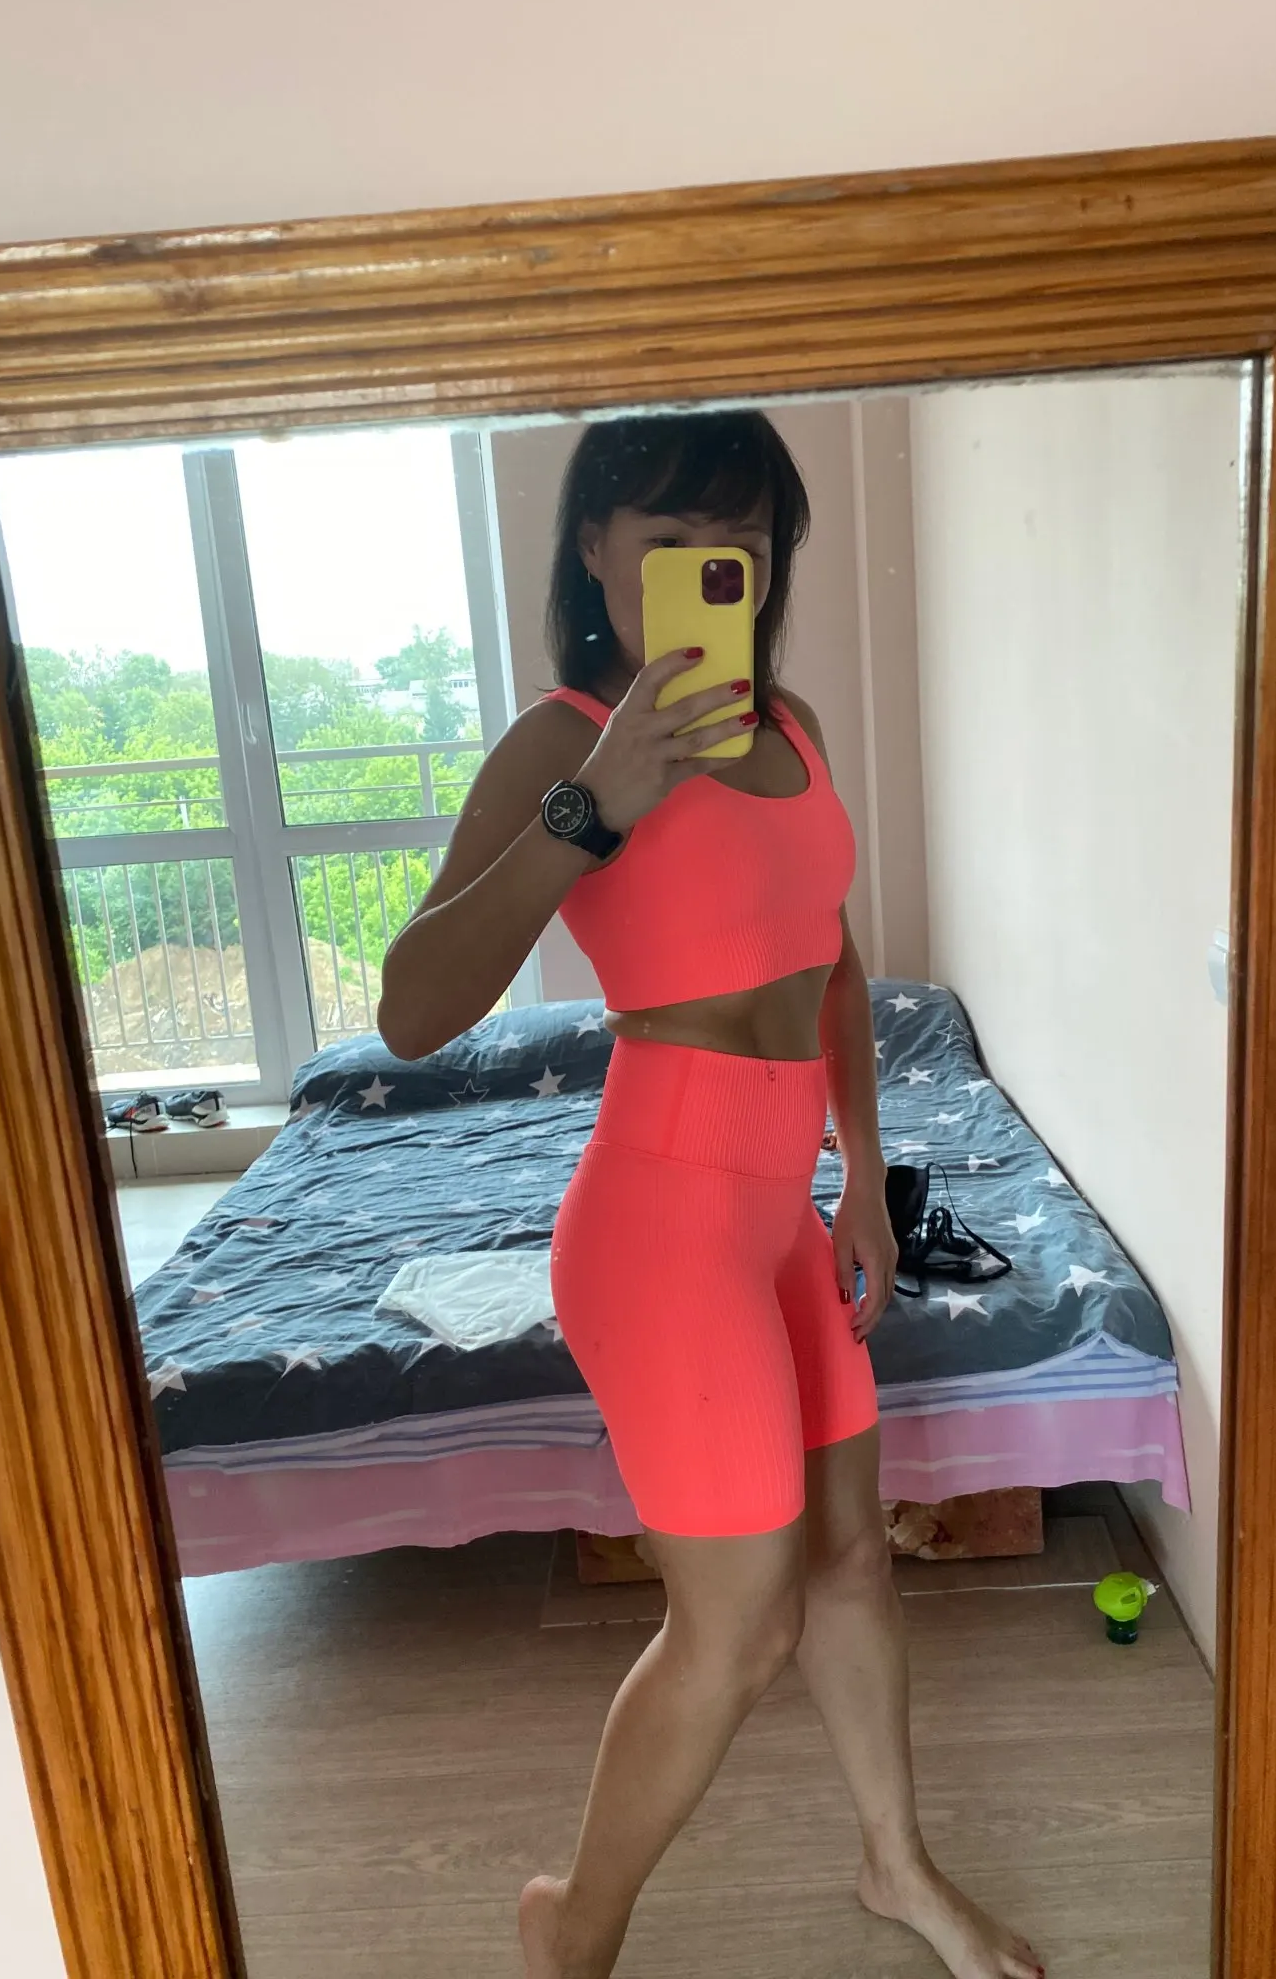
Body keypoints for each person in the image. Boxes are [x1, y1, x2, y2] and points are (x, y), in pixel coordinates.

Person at [377, 412, 1043, 1979]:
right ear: (594, 546)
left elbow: (834, 962)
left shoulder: (792, 728)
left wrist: (862, 1172)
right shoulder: (560, 743)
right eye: (668, 538)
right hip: (660, 1221)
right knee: (740, 1625)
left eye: (738, 543)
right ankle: (573, 1923)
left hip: (781, 1215)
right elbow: (412, 1009)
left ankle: (897, 1867)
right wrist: (595, 801)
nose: (705, 569)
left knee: (856, 1557)